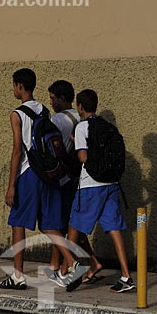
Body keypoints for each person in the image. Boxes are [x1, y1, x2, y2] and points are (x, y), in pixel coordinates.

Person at [0, 68, 85, 290]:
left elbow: (17, 150)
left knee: (18, 222)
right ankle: (72, 262)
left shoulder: (17, 114)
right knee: (47, 223)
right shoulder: (44, 111)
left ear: (19, 86)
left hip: (27, 173)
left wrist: (11, 185)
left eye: (14, 85)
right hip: (47, 174)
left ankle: (17, 276)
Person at [67, 89, 135, 293]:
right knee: (114, 228)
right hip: (111, 185)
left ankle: (72, 267)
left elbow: (82, 158)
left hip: (90, 185)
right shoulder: (109, 127)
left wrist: (76, 143)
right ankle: (125, 276)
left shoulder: (82, 127)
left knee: (73, 226)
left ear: (80, 107)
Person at [45, 81, 102, 286]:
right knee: (71, 224)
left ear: (62, 98)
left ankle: (66, 266)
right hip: (77, 178)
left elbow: (52, 149)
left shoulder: (57, 120)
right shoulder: (81, 118)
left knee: (53, 222)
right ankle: (87, 263)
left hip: (61, 177)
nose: (51, 102)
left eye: (52, 98)